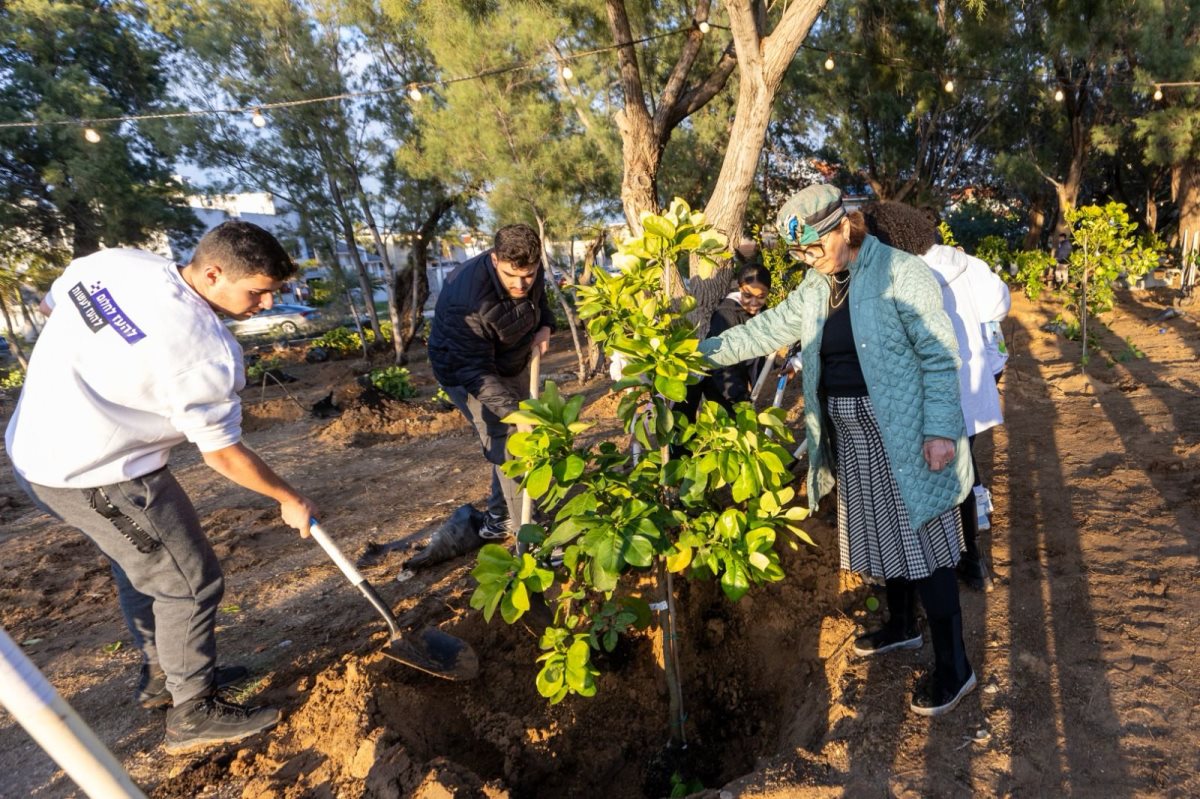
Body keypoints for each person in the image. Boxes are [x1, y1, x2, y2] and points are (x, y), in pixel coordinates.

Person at [5, 222, 319, 753]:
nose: (266, 304)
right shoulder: (204, 353)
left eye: (273, 293)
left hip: (33, 450)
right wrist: (289, 498)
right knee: (189, 582)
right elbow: (221, 453)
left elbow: (50, 308)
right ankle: (192, 710)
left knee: (145, 565)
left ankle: (163, 679)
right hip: (96, 474)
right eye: (256, 292)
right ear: (213, 272)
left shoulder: (113, 266)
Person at [698, 184, 976, 716]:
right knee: (884, 540)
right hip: (852, 436)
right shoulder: (814, 287)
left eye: (814, 247)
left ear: (844, 226)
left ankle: (955, 667)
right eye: (799, 253)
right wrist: (691, 355)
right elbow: (759, 332)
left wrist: (940, 430)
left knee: (927, 550)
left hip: (907, 434)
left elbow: (941, 356)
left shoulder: (901, 273)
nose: (808, 259)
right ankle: (900, 627)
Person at [861, 201, 1011, 591]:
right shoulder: (969, 264)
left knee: (927, 477)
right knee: (965, 472)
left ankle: (927, 561)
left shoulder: (895, 275)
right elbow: (999, 304)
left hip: (925, 395)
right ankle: (972, 559)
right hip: (970, 389)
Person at [427, 224, 554, 540]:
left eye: (530, 274)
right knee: (508, 442)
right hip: (467, 372)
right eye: (513, 276)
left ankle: (498, 518)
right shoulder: (467, 299)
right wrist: (517, 415)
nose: (522, 283)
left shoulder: (529, 272)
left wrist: (546, 327)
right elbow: (476, 373)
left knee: (513, 440)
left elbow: (540, 302)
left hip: (511, 357)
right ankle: (532, 538)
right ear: (495, 260)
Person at [680, 263, 771, 417]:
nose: (754, 303)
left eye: (761, 297)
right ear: (740, 287)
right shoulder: (726, 316)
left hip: (735, 376)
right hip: (714, 379)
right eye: (748, 295)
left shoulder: (762, 314)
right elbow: (721, 365)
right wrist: (738, 398)